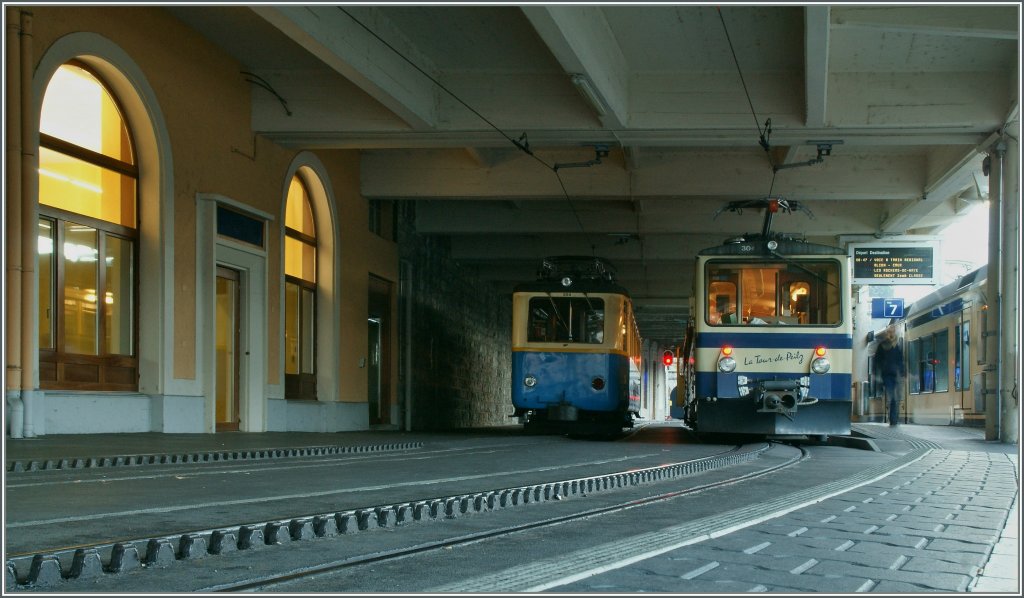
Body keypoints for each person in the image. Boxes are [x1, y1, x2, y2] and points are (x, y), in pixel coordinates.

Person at [873, 327, 907, 426]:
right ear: (887, 333)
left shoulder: (897, 345)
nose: (891, 333)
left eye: (892, 331)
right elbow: (877, 361)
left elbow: (900, 360)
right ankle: (893, 420)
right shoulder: (882, 345)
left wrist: (903, 373)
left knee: (897, 398)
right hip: (886, 375)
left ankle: (894, 419)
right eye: (889, 332)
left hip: (897, 375)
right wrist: (876, 374)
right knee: (892, 397)